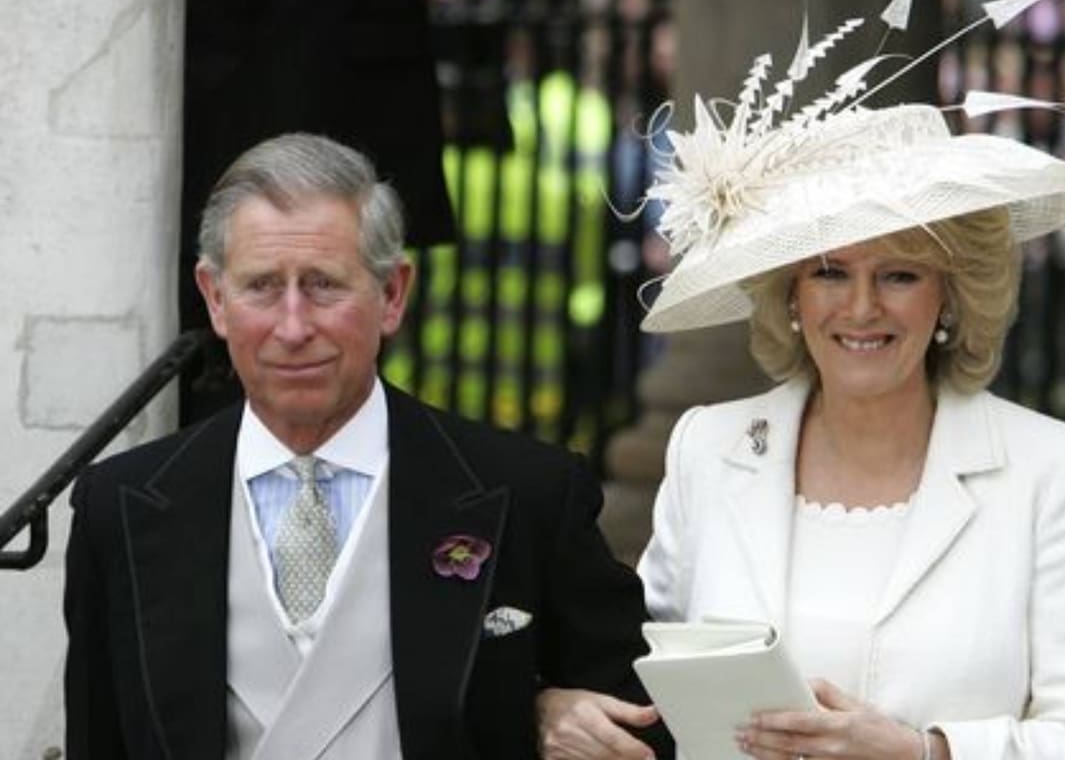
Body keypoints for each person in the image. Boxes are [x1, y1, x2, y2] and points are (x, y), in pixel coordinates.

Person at [547, 0, 1065, 760]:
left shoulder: (1046, 466)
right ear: (789, 293)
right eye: (829, 272)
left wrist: (923, 752)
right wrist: (558, 705)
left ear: (951, 294)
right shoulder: (709, 448)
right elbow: (641, 684)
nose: (861, 308)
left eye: (900, 275)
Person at [63, 133, 669, 759]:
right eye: (262, 286)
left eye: (323, 284)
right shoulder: (122, 507)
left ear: (392, 293)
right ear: (215, 299)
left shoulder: (529, 494)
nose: (293, 326)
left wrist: (537, 711)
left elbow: (649, 722)